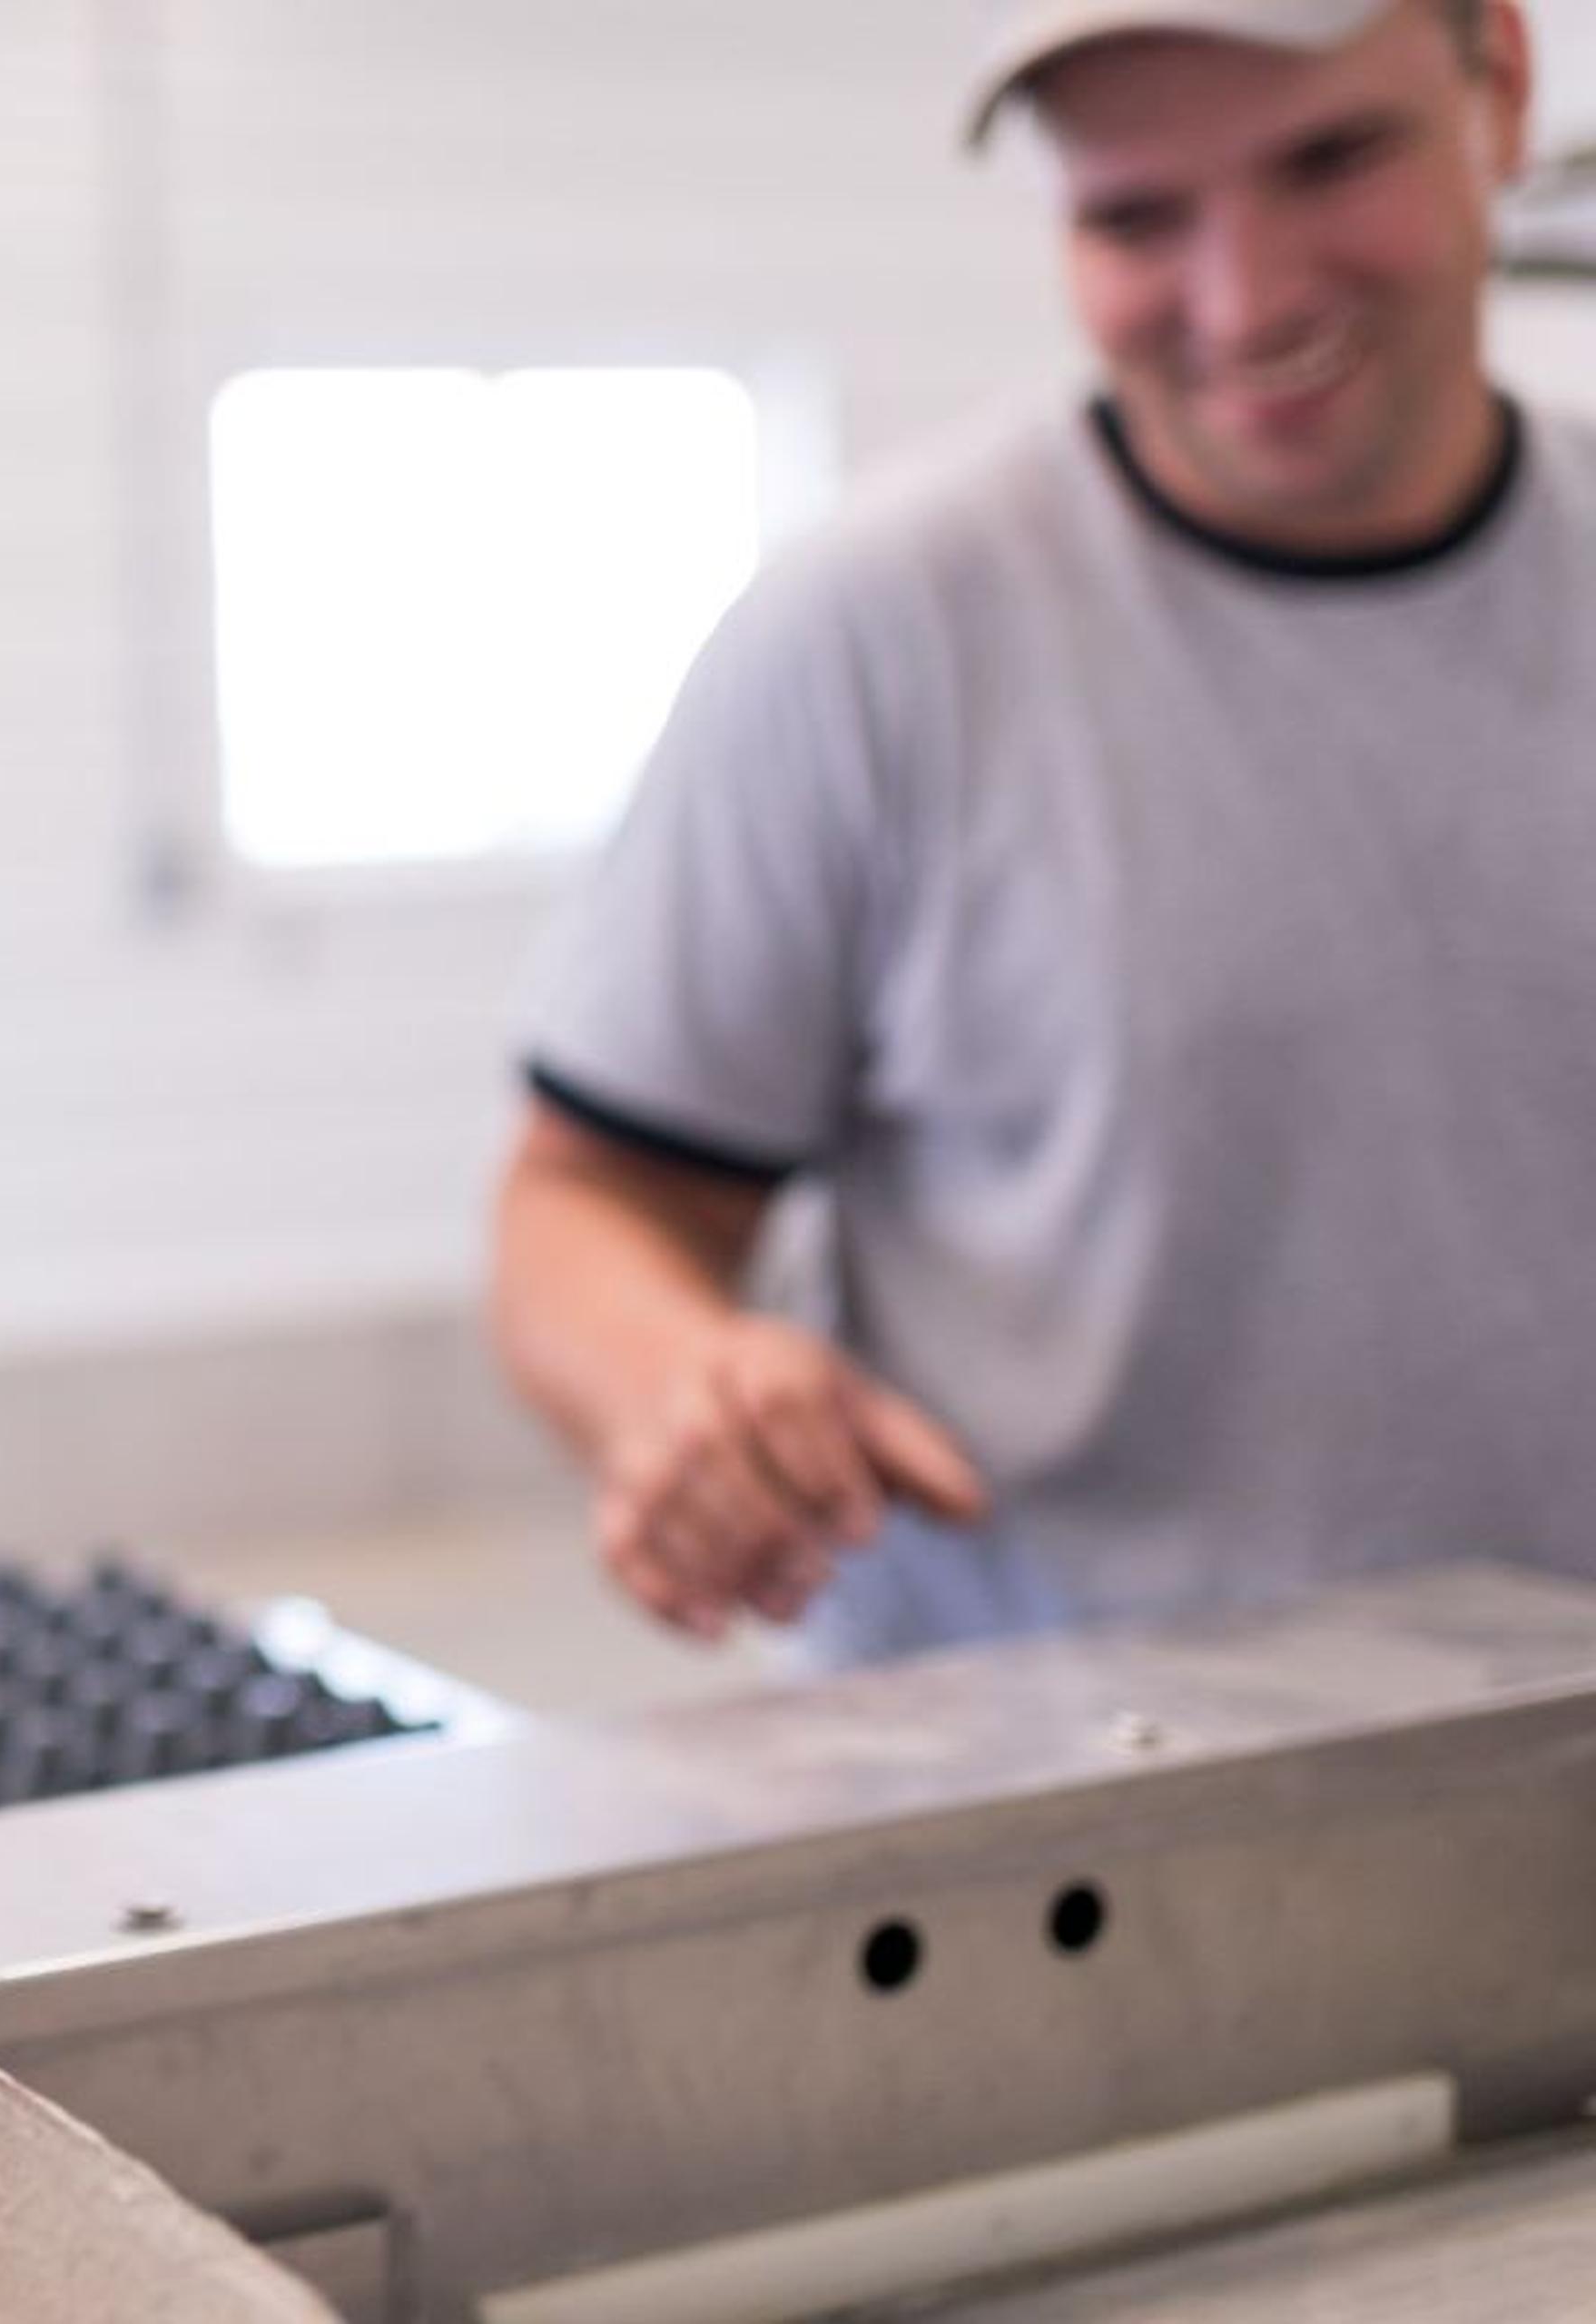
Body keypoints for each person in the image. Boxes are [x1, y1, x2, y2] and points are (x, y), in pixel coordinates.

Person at [491, 0, 1596, 1664]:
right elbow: (579, 1206)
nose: (1248, 300)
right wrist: (679, 1386)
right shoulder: (876, 633)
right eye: (1136, 219)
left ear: (1498, 88)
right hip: (1046, 1819)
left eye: (1332, 159)